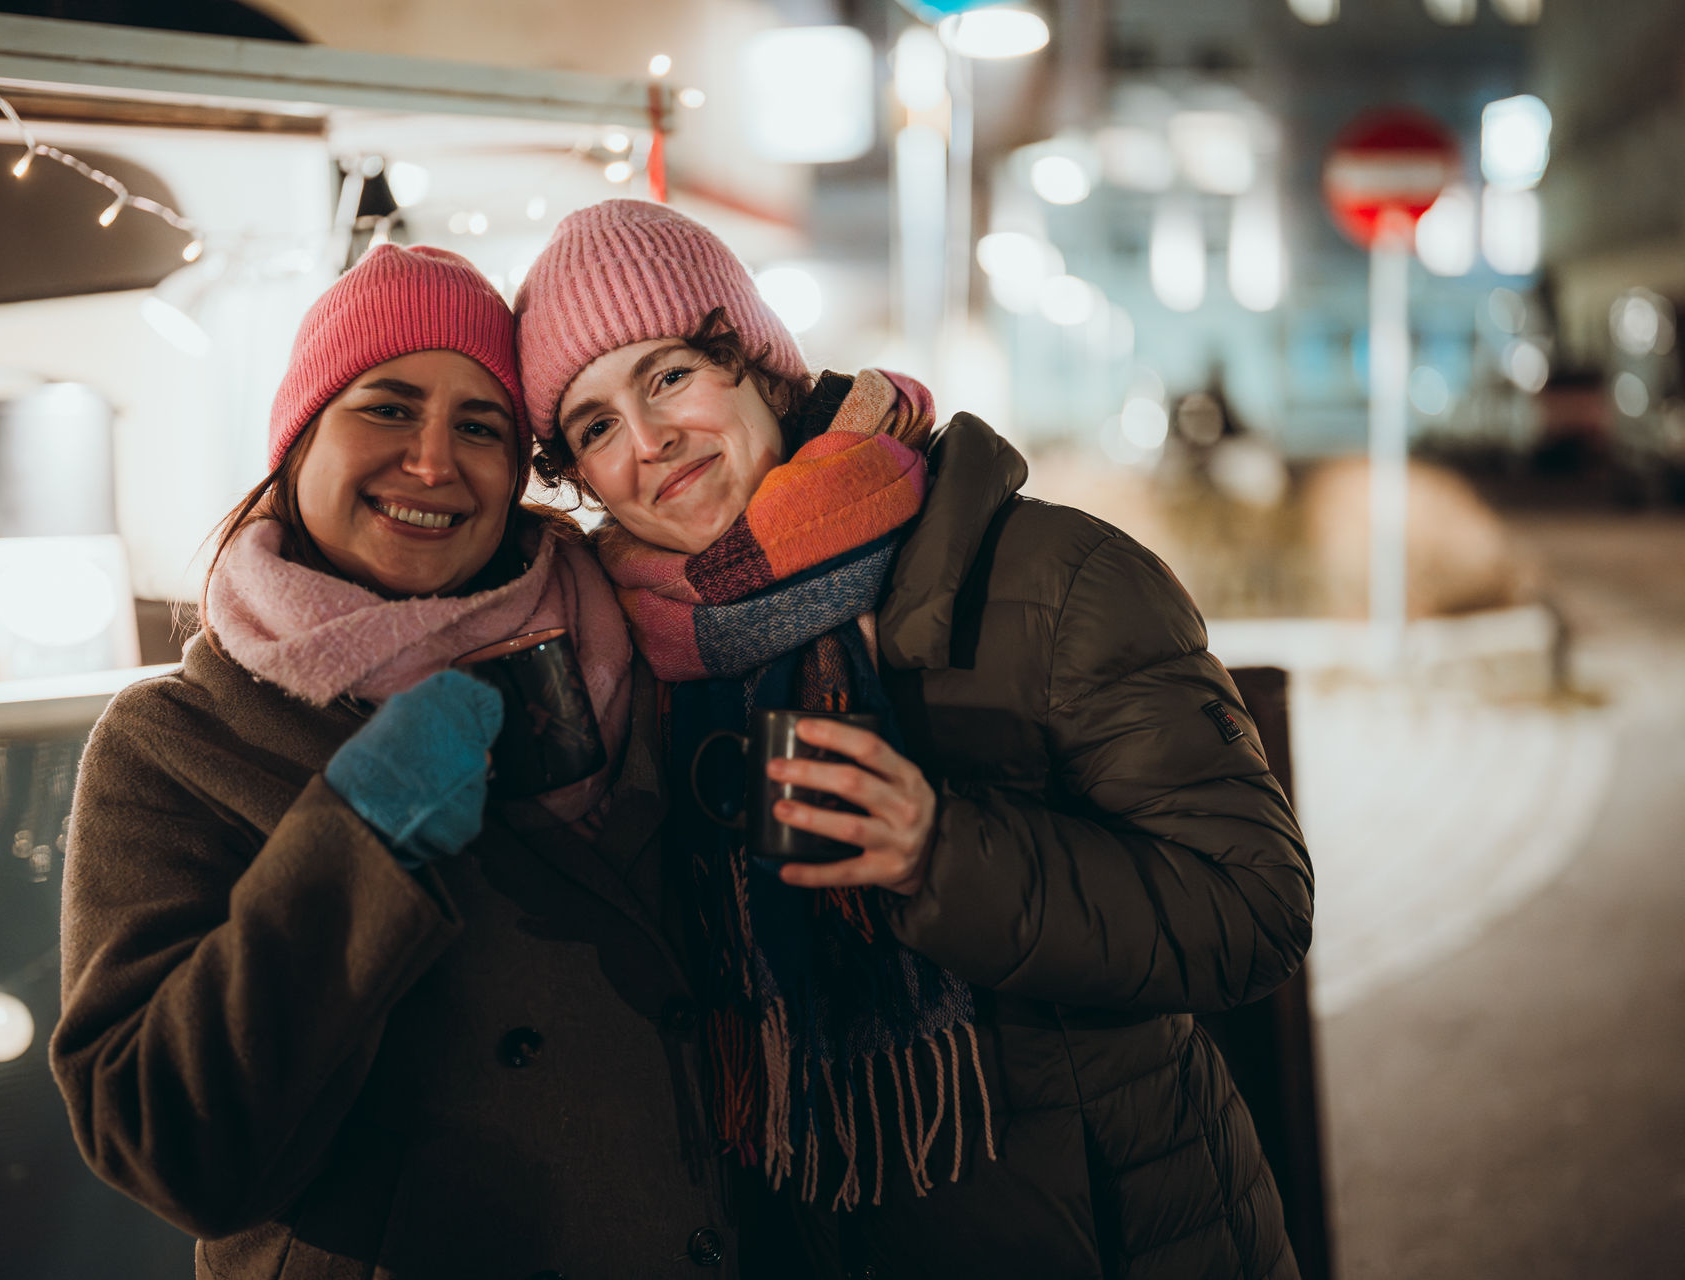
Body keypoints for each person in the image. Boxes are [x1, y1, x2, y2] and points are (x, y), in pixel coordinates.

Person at [514, 200, 1315, 1280]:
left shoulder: (1051, 576)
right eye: (595, 427)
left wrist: (940, 854)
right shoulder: (639, 651)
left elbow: (1254, 909)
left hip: (1105, 1237)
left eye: (668, 376)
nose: (647, 442)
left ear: (758, 363)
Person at [51, 244, 746, 1277]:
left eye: (481, 426)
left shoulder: (645, 643)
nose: (432, 462)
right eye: (386, 407)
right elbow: (168, 1147)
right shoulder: (181, 741)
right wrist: (367, 826)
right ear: (300, 438)